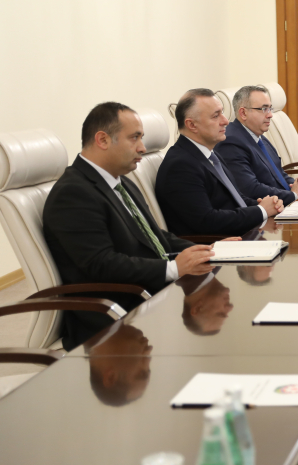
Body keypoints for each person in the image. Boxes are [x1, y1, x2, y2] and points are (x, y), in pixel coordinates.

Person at [43, 102, 215, 349]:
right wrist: (173, 269)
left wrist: (209, 251)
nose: (142, 148)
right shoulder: (73, 193)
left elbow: (155, 237)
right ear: (102, 140)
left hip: (149, 296)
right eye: (134, 138)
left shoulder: (121, 182)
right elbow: (101, 263)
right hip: (113, 318)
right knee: (210, 330)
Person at [156, 89, 284, 237]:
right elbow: (206, 221)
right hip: (216, 245)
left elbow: (236, 198)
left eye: (222, 113)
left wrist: (265, 204)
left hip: (241, 235)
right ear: (192, 125)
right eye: (216, 116)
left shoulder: (210, 154)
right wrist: (261, 210)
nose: (225, 121)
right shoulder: (180, 166)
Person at [214, 85, 298, 205]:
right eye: (264, 109)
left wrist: (297, 183)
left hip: (281, 204)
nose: (270, 115)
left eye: (270, 109)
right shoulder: (230, 142)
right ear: (243, 113)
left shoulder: (259, 137)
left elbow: (278, 174)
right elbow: (250, 189)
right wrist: (294, 194)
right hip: (263, 211)